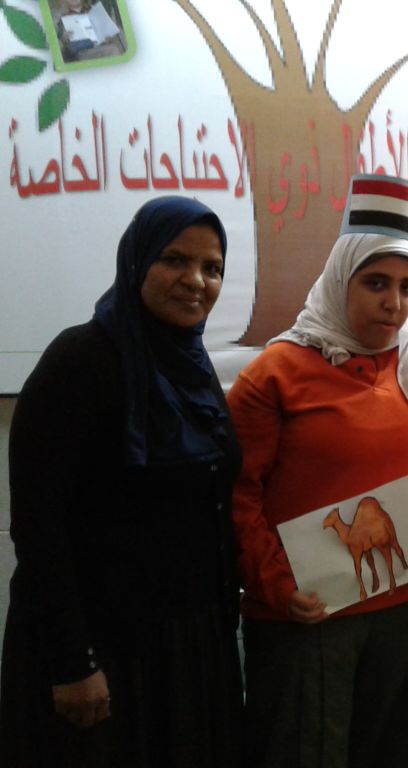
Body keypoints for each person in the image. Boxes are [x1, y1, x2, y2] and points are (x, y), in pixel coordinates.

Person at [227, 174, 408, 767]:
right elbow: (236, 496)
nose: (394, 303)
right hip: (310, 617)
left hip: (407, 609)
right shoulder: (274, 376)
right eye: (376, 283)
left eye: (407, 287)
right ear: (340, 279)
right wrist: (278, 588)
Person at [1, 196, 244, 767]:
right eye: (175, 260)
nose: (196, 281)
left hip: (185, 644)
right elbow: (38, 525)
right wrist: (74, 661)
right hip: (104, 651)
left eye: (212, 268)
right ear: (137, 262)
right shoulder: (80, 360)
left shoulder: (192, 368)